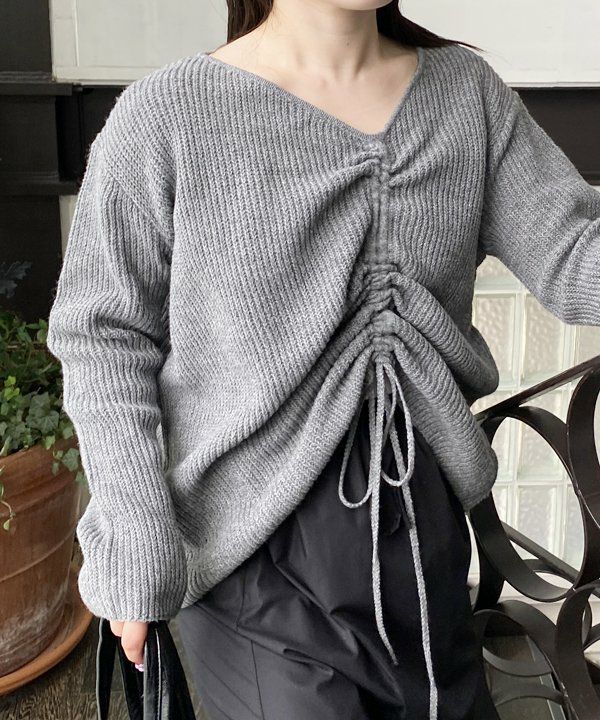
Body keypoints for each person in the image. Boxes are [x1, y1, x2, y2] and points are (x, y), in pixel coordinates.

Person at [45, 0, 600, 718]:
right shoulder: (167, 116)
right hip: (255, 551)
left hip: (423, 530)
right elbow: (104, 335)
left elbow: (571, 252)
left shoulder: (466, 94)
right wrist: (137, 536)